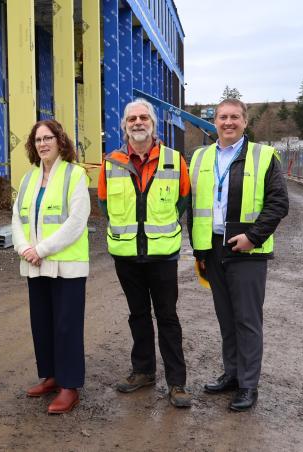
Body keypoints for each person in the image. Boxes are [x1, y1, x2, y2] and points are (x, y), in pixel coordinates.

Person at [188, 98, 288, 411]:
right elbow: (192, 205)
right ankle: (231, 374)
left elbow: (278, 204)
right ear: (214, 122)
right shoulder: (200, 157)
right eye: (222, 117)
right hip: (212, 248)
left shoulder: (264, 156)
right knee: (226, 318)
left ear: (245, 122)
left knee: (247, 320)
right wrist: (199, 248)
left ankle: (248, 385)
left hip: (247, 249)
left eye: (234, 117)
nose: (228, 122)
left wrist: (253, 237)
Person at [97, 98, 193, 408]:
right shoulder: (110, 162)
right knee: (137, 315)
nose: (138, 123)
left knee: (167, 317)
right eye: (132, 119)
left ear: (153, 124)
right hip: (126, 256)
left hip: (162, 256)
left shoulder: (174, 160)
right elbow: (103, 204)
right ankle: (143, 371)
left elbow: (183, 201)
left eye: (144, 118)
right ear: (123, 126)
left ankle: (177, 383)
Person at [11, 119, 90, 414]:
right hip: (35, 265)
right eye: (38, 139)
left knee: (67, 326)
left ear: (60, 141)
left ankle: (70, 387)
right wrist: (23, 248)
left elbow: (76, 222)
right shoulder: (29, 178)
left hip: (66, 266)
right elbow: (17, 218)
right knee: (42, 324)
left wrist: (40, 249)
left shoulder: (75, 175)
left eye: (48, 138)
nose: (42, 144)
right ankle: (52, 376)